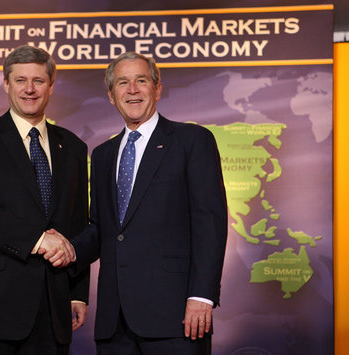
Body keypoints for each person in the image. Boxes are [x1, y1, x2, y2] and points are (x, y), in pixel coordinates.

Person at [67, 52, 228, 354]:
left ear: (157, 88)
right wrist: (67, 248)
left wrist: (202, 296)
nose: (132, 90)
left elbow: (210, 222)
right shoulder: (102, 155)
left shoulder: (192, 140)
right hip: (115, 324)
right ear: (111, 96)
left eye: (141, 81)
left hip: (176, 318)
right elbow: (102, 229)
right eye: (122, 83)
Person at [0, 45, 90, 355]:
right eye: (20, 80)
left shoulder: (74, 147)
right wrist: (39, 240)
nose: (29, 89)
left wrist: (77, 292)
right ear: (6, 83)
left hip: (51, 310)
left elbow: (78, 224)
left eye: (39, 81)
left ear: (51, 86)